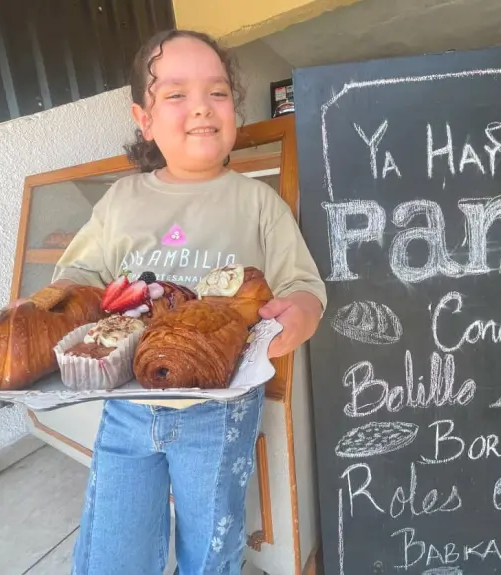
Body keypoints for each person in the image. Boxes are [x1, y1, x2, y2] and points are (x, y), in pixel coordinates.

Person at [40, 29, 326, 575]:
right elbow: (75, 276)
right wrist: (53, 307)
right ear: (143, 118)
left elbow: (301, 283)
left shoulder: (257, 202)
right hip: (127, 403)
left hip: (219, 413)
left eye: (217, 93)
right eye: (176, 94)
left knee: (212, 548)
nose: (201, 108)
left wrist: (302, 310)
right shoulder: (121, 199)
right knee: (112, 550)